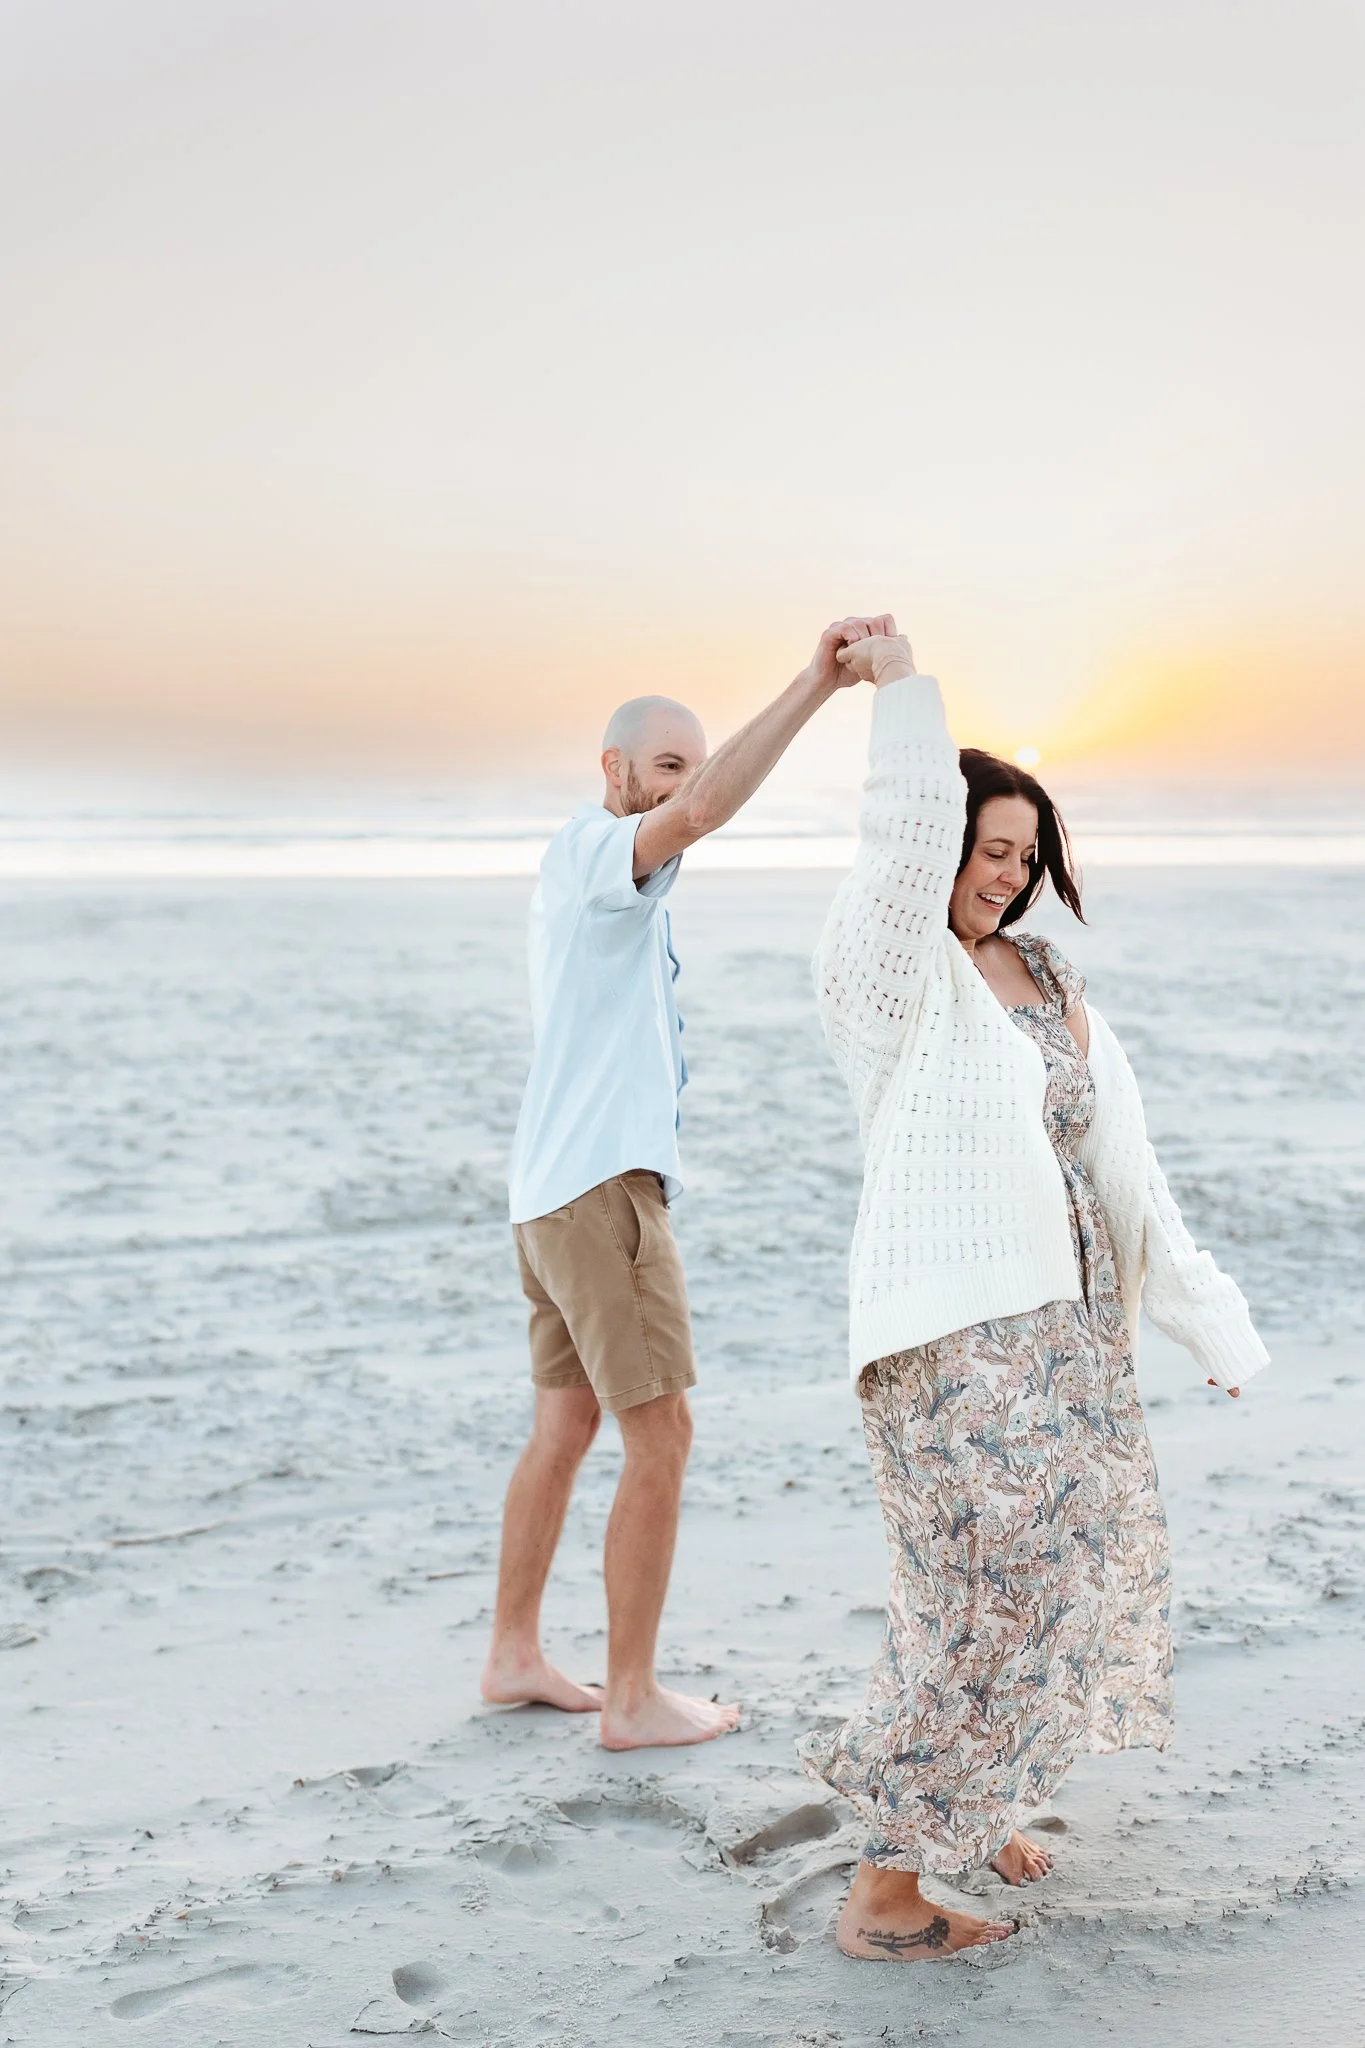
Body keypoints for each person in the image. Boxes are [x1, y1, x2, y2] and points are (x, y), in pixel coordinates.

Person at [799, 621, 1269, 1957]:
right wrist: (899, 690)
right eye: (983, 849)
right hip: (950, 1342)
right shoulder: (892, 976)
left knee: (1058, 1587)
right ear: (936, 850)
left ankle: (975, 1803)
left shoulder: (1051, 978)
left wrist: (1203, 1323)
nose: (1003, 876)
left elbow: (1127, 1172)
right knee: (968, 1600)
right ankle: (889, 1893)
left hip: (1067, 1343)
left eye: (1021, 853)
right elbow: (894, 842)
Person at [481, 617, 888, 1750]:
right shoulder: (596, 856)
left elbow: (693, 811)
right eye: (665, 764)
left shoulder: (609, 882)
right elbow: (704, 812)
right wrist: (815, 684)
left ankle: (515, 1651)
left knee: (564, 1426)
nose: (683, 786)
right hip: (599, 1195)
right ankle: (631, 1697)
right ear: (612, 770)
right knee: (662, 1435)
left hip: (550, 1192)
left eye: (686, 764)